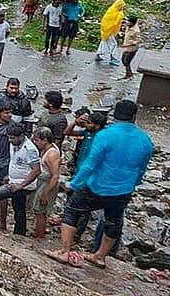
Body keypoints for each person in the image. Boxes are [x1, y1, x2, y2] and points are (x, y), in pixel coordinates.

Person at [47, 100, 153, 269]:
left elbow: (91, 164)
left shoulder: (105, 135)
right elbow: (141, 169)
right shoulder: (145, 140)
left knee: (72, 210)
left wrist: (74, 183)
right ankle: (100, 256)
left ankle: (64, 251)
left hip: (97, 186)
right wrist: (134, 183)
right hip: (123, 190)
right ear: (134, 116)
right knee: (113, 221)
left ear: (115, 115)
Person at [0, 123, 40, 234]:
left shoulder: (30, 149)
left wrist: (21, 185)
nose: (10, 140)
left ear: (21, 136)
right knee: (19, 207)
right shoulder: (14, 144)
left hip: (23, 185)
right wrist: (9, 176)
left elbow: (36, 170)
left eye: (12, 138)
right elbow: (16, 163)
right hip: (14, 181)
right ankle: (20, 232)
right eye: (9, 137)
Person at [64, 110, 107, 238]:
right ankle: (69, 226)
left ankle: (77, 234)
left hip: (90, 175)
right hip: (79, 171)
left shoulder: (101, 138)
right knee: (71, 199)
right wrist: (75, 122)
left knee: (83, 207)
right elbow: (67, 132)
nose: (86, 125)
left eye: (89, 123)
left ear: (97, 126)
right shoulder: (87, 133)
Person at [30, 126, 61, 238]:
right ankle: (38, 231)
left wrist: (46, 193)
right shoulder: (47, 149)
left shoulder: (52, 154)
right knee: (38, 209)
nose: (35, 142)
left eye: (37, 140)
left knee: (40, 211)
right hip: (43, 180)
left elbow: (55, 176)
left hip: (48, 182)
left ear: (45, 140)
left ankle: (40, 236)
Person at [96, 0, 125, 65]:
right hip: (110, 31)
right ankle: (113, 58)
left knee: (103, 41)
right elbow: (116, 23)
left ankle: (98, 54)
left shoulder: (111, 9)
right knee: (114, 44)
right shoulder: (119, 13)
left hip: (105, 30)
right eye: (122, 6)